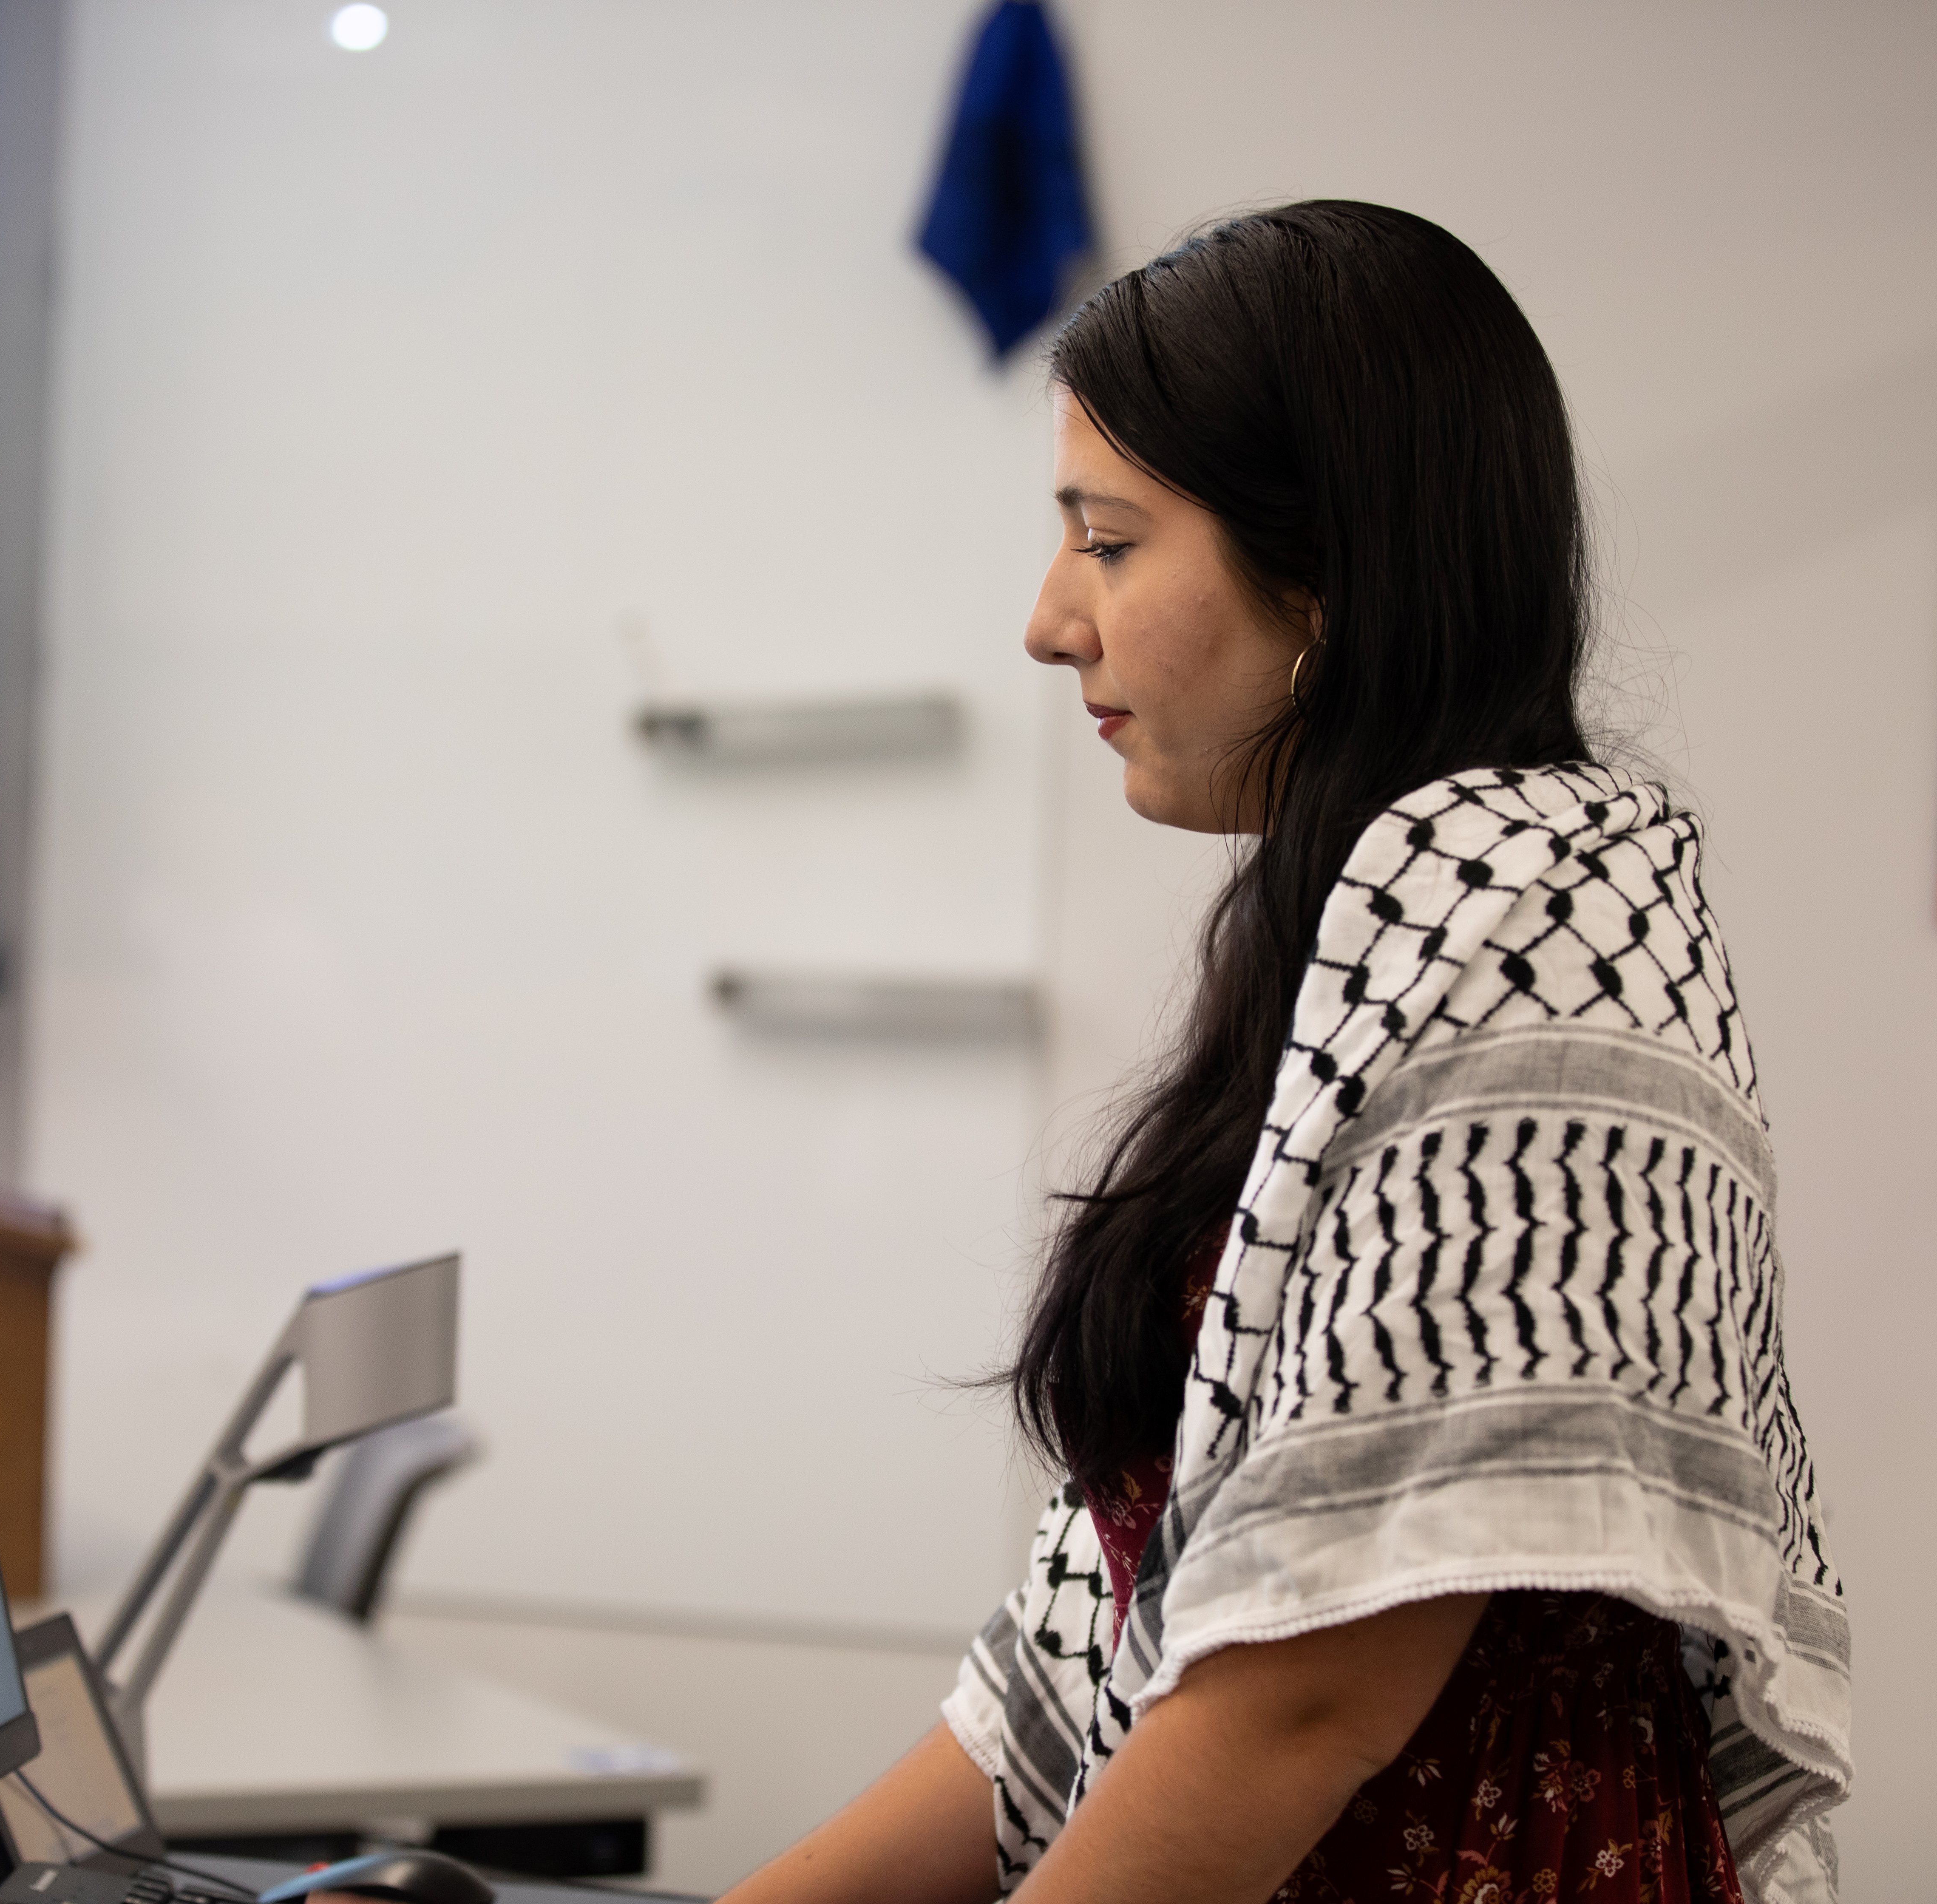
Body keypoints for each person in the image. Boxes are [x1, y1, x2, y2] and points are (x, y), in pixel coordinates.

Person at [726, 202, 1849, 1904]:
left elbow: (1306, 1689)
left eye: (1108, 543)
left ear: (1324, 568)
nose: (1048, 620)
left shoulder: (1530, 933)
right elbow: (1068, 1665)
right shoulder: (1344, 928)